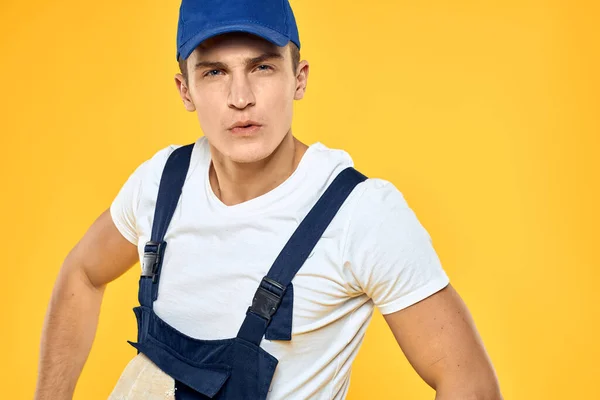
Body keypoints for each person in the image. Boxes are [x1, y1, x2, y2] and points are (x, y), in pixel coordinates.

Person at [35, 0, 502, 399]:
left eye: (262, 67)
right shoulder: (160, 182)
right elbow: (82, 272)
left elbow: (470, 385)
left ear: (298, 79)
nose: (241, 97)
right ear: (186, 90)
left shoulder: (360, 214)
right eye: (215, 72)